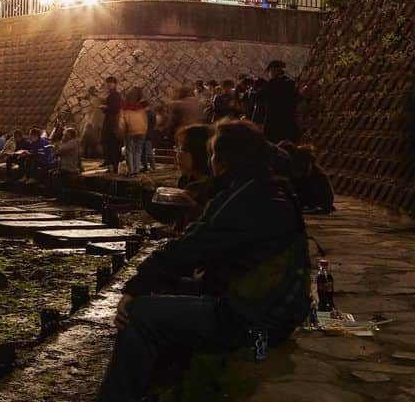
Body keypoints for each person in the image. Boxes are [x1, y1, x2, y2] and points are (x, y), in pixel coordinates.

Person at [97, 120, 312, 402]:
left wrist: (135, 286)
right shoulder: (265, 188)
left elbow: (190, 248)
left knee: (139, 314)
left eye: (212, 154)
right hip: (267, 309)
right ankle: (155, 389)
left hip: (252, 320)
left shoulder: (246, 198)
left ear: (224, 160)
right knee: (166, 292)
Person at [174, 124, 215, 229]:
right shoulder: (185, 180)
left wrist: (192, 206)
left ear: (198, 152)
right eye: (177, 148)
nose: (177, 155)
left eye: (182, 149)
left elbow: (212, 225)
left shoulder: (215, 188)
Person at [261, 60, 300, 143]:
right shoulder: (290, 83)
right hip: (288, 121)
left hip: (273, 121)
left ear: (274, 71)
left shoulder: (271, 84)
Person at [120, 87, 149, 176]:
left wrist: (122, 132)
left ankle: (131, 171)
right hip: (142, 131)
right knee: (138, 151)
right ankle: (136, 170)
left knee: (129, 151)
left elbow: (122, 121)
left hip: (130, 131)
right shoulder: (141, 107)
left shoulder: (125, 107)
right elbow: (145, 120)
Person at [102, 76, 124, 172]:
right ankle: (111, 164)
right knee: (110, 144)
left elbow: (115, 109)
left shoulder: (115, 95)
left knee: (113, 144)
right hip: (110, 121)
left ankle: (113, 165)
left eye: (111, 83)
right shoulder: (112, 94)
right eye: (108, 83)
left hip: (112, 123)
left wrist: (105, 108)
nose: (109, 85)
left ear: (115, 84)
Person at [142, 100, 157, 173]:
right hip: (149, 134)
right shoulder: (152, 113)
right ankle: (148, 167)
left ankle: (151, 167)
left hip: (146, 134)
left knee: (148, 152)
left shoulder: (148, 114)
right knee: (146, 152)